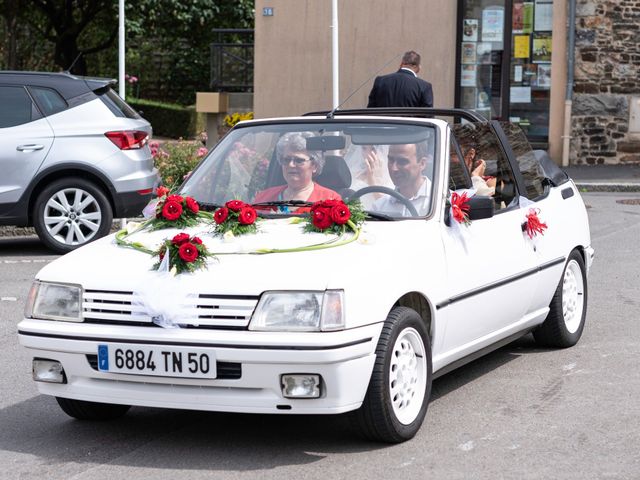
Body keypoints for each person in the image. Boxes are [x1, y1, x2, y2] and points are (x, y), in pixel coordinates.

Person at [254, 132, 341, 209]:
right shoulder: (263, 198)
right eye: (286, 160)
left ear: (314, 165)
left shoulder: (330, 200)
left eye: (299, 160)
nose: (291, 165)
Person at [372, 142, 432, 216]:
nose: (394, 168)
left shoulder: (443, 204)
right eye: (391, 160)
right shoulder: (379, 207)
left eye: (402, 162)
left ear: (422, 164)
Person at [367, 51, 434, 108]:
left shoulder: (380, 81)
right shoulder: (424, 86)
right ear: (418, 67)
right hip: (409, 124)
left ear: (401, 64)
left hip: (382, 123)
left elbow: (370, 110)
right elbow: (427, 116)